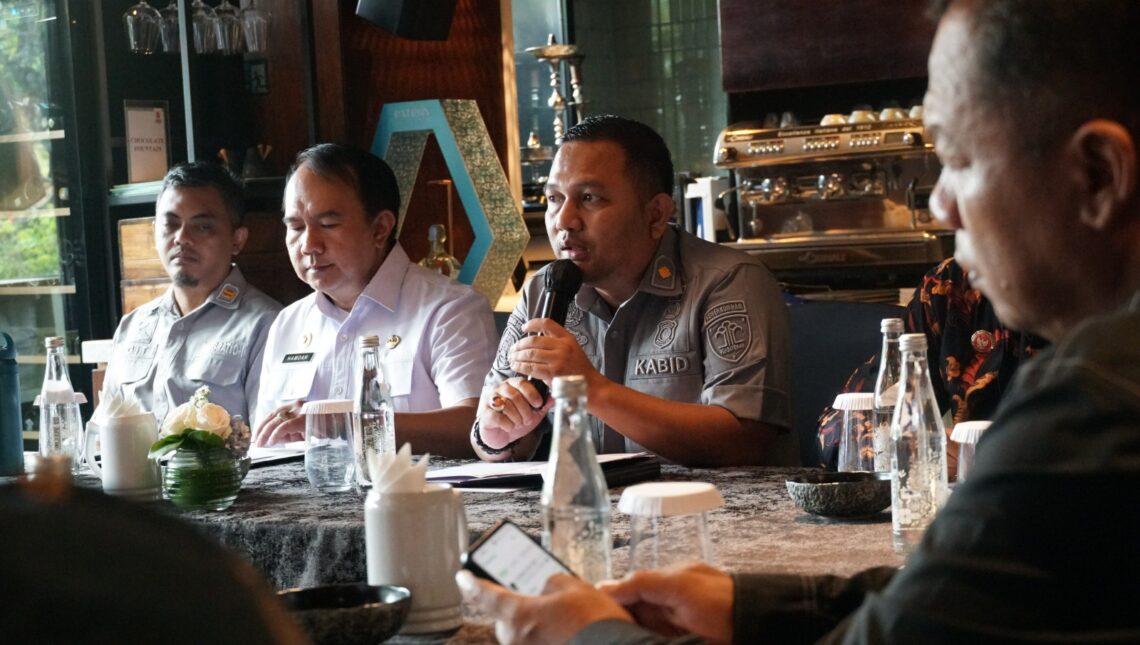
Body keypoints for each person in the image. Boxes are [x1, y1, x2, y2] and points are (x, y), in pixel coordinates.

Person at [457, 0, 1140, 641]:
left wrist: (592, 632)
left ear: (1100, 176)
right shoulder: (1087, 381)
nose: (940, 206)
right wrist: (747, 606)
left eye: (959, 160)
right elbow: (957, 592)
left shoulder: (1093, 407)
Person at [472, 115, 793, 466]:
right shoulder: (543, 290)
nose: (563, 220)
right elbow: (488, 428)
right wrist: (496, 435)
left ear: (655, 214)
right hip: (587, 497)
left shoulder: (728, 280)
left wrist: (593, 389)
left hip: (711, 500)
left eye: (589, 198)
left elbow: (745, 441)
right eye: (554, 198)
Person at [252, 144, 496, 456]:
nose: (309, 244)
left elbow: (477, 428)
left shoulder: (450, 309)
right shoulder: (288, 323)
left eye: (328, 224)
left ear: (380, 228)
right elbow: (268, 444)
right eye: (296, 227)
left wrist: (347, 425)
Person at [815, 258, 1047, 473]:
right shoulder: (952, 284)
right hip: (975, 498)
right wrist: (905, 449)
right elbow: (841, 424)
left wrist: (996, 456)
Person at [101, 162, 281, 425]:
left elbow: (268, 441)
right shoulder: (132, 326)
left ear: (237, 239)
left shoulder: (267, 325)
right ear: (154, 232)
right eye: (170, 224)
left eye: (202, 226)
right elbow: (102, 432)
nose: (181, 238)